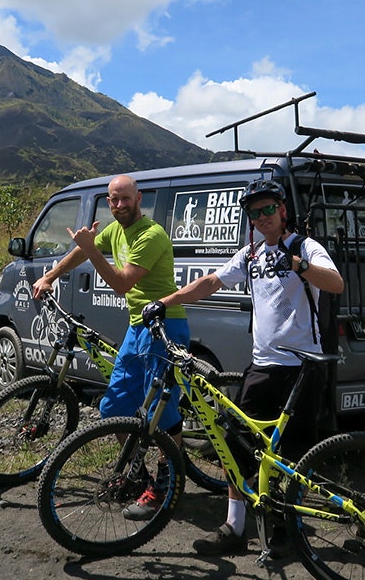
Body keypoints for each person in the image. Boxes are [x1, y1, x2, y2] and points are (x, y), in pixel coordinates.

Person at [143, 178, 345, 555]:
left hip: (301, 368)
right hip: (263, 366)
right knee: (236, 447)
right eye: (254, 212)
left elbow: (335, 284)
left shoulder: (305, 246)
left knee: (294, 456)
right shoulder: (250, 254)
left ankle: (289, 526)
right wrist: (165, 301)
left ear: (283, 211)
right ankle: (235, 529)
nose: (262, 217)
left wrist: (298, 265)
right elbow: (210, 282)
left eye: (269, 209)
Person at [32, 174, 188, 520]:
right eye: (112, 200)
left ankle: (167, 484)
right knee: (113, 405)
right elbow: (79, 252)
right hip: (137, 327)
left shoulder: (151, 234)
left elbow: (120, 284)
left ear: (139, 198)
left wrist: (91, 250)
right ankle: (138, 475)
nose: (118, 205)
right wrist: (50, 276)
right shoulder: (115, 230)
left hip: (165, 327)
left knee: (161, 415)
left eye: (124, 199)